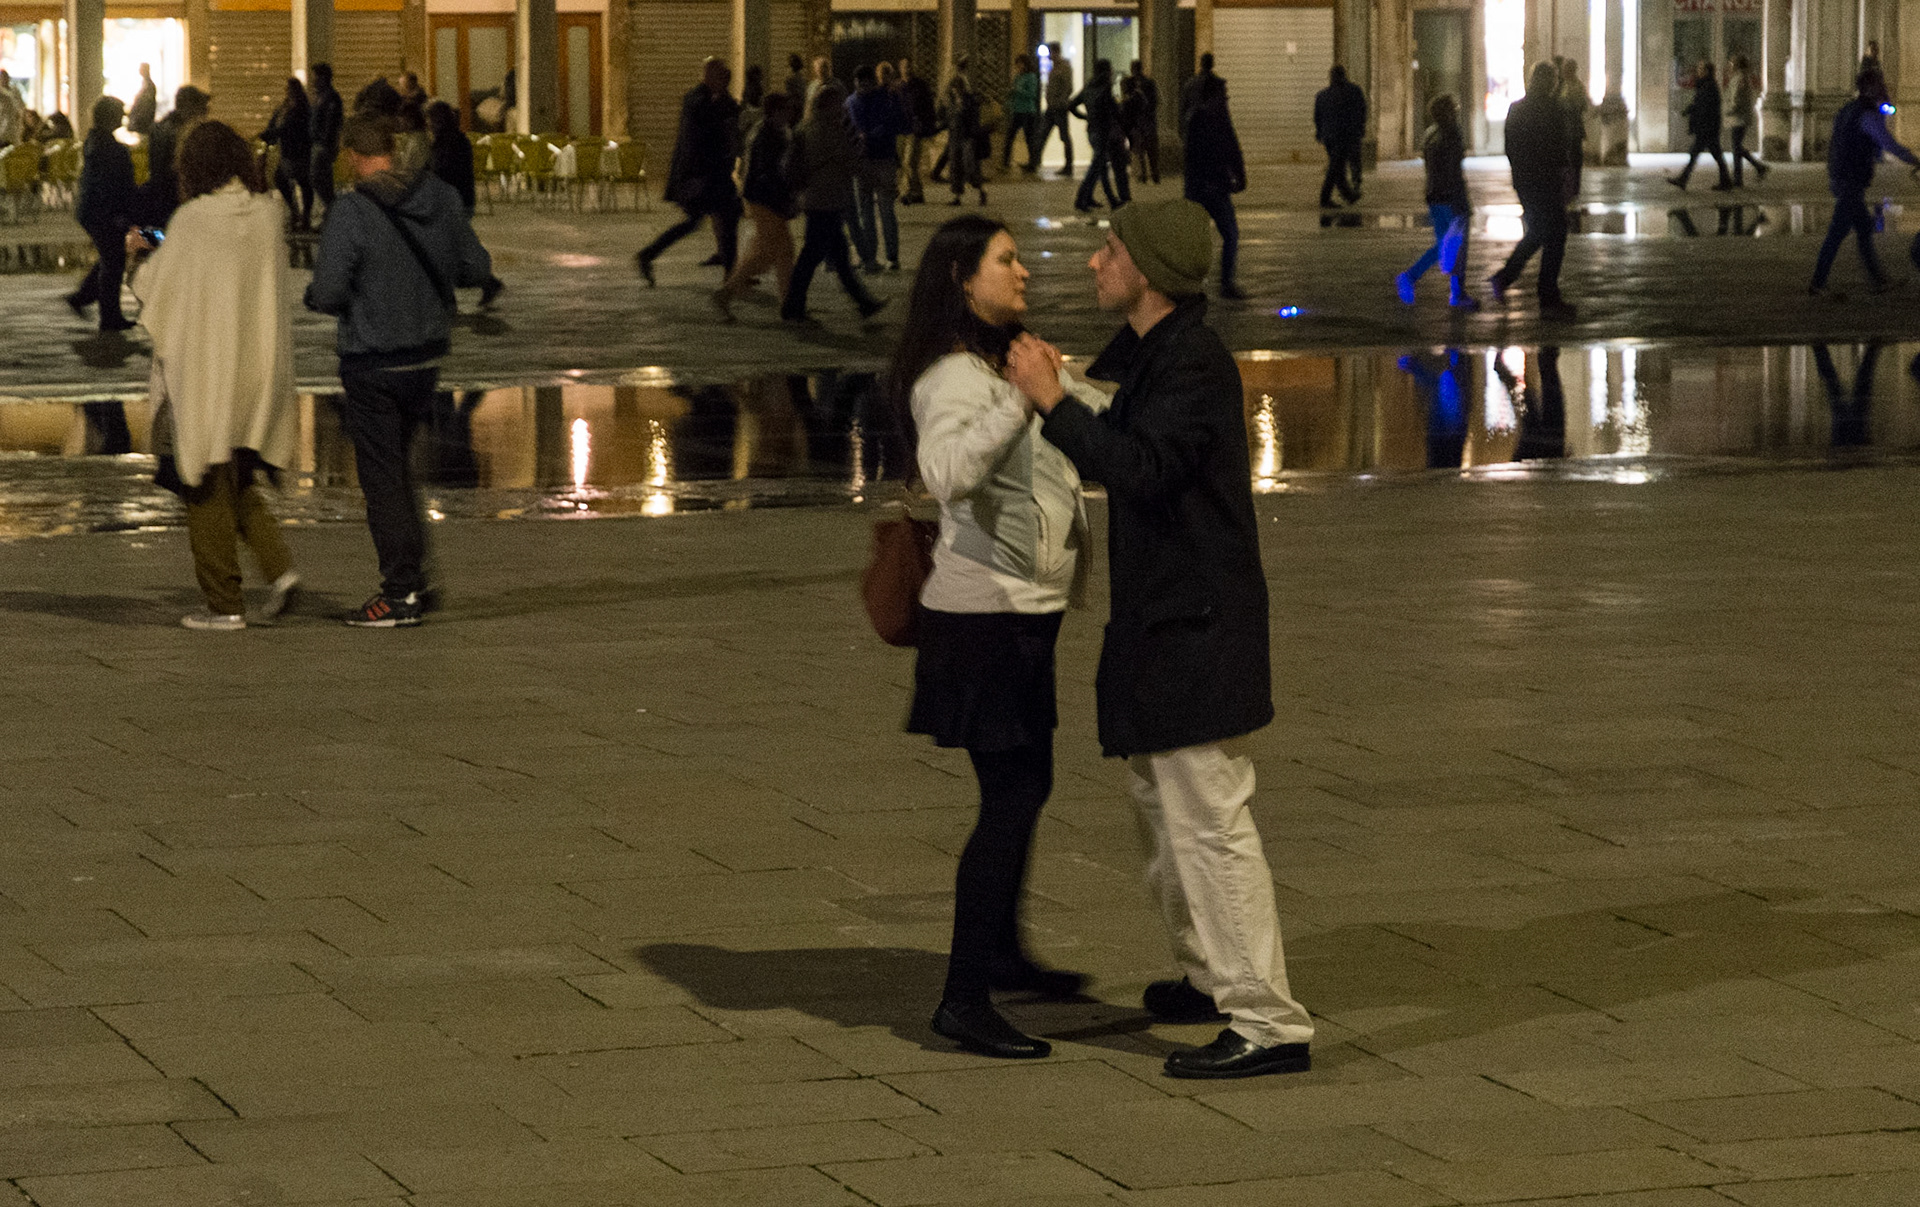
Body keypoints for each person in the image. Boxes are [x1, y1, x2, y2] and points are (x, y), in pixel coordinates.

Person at [1004, 198, 1315, 1081]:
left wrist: (1053, 400)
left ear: (1148, 271)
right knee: (1160, 806)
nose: (1096, 261)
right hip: (1165, 623)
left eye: (1110, 249)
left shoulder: (1195, 364)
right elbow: (1114, 425)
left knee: (1209, 819)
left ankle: (1266, 1018)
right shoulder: (1157, 351)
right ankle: (1212, 975)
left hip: (1196, 626)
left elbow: (1137, 467)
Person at [891, 215, 1099, 1060]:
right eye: (1005, 261)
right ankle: (963, 996)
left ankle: (1003, 954)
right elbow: (944, 473)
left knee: (1027, 783)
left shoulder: (995, 361)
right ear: (961, 278)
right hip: (983, 617)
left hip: (1023, 608)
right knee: (1009, 796)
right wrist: (1021, 399)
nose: (1023, 272)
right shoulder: (950, 376)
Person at [304, 112, 494, 627]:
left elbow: (327, 291)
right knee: (398, 470)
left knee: (383, 478)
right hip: (426, 359)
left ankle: (400, 592)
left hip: (373, 362)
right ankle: (417, 577)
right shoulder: (441, 198)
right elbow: (477, 268)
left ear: (354, 156)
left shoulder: (351, 212)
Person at [127, 121, 300, 631]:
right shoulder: (270, 213)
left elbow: (159, 293)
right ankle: (280, 568)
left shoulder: (194, 219)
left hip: (205, 369)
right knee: (238, 473)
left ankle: (224, 604)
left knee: (200, 477)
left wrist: (139, 257)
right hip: (256, 369)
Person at [780, 82, 886, 323]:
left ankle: (864, 303)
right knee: (812, 257)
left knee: (837, 257)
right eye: (838, 103)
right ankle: (792, 307)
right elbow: (850, 160)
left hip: (819, 199)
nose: (842, 108)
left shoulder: (807, 126)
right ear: (828, 105)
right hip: (825, 200)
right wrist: (876, 181)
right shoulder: (828, 130)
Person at [1810, 68, 1919, 297]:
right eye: (1879, 84)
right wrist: (1913, 159)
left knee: (1863, 228)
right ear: (1871, 88)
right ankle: (1818, 283)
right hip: (1851, 180)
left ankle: (1877, 279)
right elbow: (1888, 143)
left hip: (1841, 176)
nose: (1882, 87)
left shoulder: (1849, 109)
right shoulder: (1867, 116)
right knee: (1837, 233)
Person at [637, 57, 742, 287]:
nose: (725, 81)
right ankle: (731, 276)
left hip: (713, 175)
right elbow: (700, 138)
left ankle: (649, 254)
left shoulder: (716, 101)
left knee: (720, 219)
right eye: (722, 76)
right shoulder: (697, 101)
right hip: (703, 176)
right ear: (709, 76)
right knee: (715, 219)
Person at [1489, 62, 1576, 319]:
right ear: (1549, 82)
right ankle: (1544, 294)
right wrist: (1565, 178)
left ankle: (1510, 280)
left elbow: (1510, 148)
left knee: (1541, 230)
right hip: (1547, 180)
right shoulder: (1554, 109)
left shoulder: (1516, 109)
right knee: (1554, 232)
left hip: (1526, 181)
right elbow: (1561, 148)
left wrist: (1520, 172)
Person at [713, 91, 796, 320]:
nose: (791, 113)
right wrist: (785, 199)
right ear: (776, 111)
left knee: (775, 252)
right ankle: (728, 293)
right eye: (787, 109)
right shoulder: (768, 136)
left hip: (763, 199)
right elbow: (768, 174)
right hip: (765, 200)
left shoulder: (770, 132)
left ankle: (788, 304)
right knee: (774, 253)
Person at [65, 96, 139, 333]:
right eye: (119, 112)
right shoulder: (108, 148)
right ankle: (109, 316)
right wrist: (117, 212)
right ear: (109, 116)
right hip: (103, 212)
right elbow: (110, 185)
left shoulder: (97, 143)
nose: (123, 116)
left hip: (95, 210)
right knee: (113, 261)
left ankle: (84, 298)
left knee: (111, 257)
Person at [1397, 94, 1476, 309]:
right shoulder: (1451, 135)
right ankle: (1452, 291)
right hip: (1450, 198)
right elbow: (1453, 172)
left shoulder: (1431, 135)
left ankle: (1453, 291)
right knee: (1454, 246)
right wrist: (1461, 202)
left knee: (1446, 244)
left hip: (1435, 197)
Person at [426, 99, 505, 307]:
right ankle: (482, 284)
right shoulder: (450, 140)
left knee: (447, 251)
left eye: (433, 120)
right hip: (456, 201)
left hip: (456, 203)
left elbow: (445, 172)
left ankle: (462, 291)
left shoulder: (451, 142)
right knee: (450, 250)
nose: (430, 125)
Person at [1182, 74, 1246, 299]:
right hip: (1211, 187)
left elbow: (1231, 148)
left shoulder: (1198, 119)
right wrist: (1235, 175)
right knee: (1229, 233)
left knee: (1210, 236)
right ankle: (1224, 283)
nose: (1226, 99)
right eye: (1223, 95)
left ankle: (1192, 284)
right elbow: (1228, 149)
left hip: (1205, 187)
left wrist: (1238, 174)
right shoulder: (1208, 119)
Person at [848, 62, 908, 272]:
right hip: (883, 159)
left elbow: (848, 132)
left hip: (863, 161)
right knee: (885, 209)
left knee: (866, 211)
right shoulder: (886, 99)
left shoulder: (850, 102)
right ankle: (891, 257)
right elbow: (895, 124)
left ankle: (870, 256)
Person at [142, 85, 210, 228]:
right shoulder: (183, 133)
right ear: (190, 107)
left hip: (160, 200)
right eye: (202, 108)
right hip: (174, 200)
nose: (205, 114)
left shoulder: (159, 127)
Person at [1071, 59, 1127, 213]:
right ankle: (1081, 199)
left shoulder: (1088, 87)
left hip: (1091, 130)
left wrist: (1084, 117)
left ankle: (1097, 198)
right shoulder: (1105, 88)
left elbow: (1071, 105)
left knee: (1100, 167)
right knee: (1096, 166)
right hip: (1103, 131)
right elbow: (1113, 110)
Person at [1670, 60, 1732, 191]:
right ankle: (1725, 180)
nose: (1698, 70)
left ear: (1706, 71)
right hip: (1707, 126)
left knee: (1698, 153)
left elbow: (1705, 107)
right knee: (1713, 154)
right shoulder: (1706, 85)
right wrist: (1689, 110)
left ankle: (1683, 179)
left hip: (1707, 127)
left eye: (1700, 68)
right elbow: (1699, 104)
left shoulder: (1709, 86)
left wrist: (1696, 117)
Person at [261, 77, 314, 230]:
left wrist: (269, 134)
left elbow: (287, 128)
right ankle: (299, 214)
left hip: (297, 151)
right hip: (290, 152)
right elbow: (276, 124)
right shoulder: (287, 107)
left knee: (298, 181)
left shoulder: (299, 109)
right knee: (291, 181)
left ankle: (301, 215)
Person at [1314, 65, 1367, 207]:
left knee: (1337, 166)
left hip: (1329, 137)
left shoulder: (1322, 96)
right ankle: (1325, 198)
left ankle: (1348, 195)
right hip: (1346, 136)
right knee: (1335, 167)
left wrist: (1320, 133)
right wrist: (1360, 130)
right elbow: (1361, 112)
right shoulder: (1354, 91)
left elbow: (1317, 117)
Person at [940, 68, 988, 207]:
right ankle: (957, 196)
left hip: (967, 138)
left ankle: (981, 190)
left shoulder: (970, 101)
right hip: (955, 138)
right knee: (955, 168)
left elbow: (974, 120)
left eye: (957, 88)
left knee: (970, 168)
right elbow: (947, 120)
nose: (955, 91)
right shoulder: (952, 103)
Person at [308, 64, 344, 224]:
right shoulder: (321, 96)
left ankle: (332, 209)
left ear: (323, 78)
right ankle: (332, 212)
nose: (313, 81)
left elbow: (332, 124)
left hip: (323, 145)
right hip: (319, 143)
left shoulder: (331, 98)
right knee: (323, 179)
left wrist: (325, 140)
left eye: (315, 77)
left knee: (318, 177)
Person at [899, 59, 937, 204]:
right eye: (905, 67)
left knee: (909, 161)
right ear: (900, 68)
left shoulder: (920, 86)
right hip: (902, 128)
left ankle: (907, 192)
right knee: (907, 162)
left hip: (915, 128)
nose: (907, 69)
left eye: (909, 66)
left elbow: (928, 106)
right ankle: (917, 192)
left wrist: (927, 126)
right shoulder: (899, 86)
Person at [1726, 54, 1768, 185]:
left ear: (1737, 65)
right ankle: (1755, 169)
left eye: (1732, 63)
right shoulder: (1740, 77)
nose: (1730, 65)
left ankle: (1741, 176)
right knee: (1737, 147)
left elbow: (1737, 99)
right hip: (1739, 117)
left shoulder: (1740, 78)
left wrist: (1730, 110)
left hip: (1739, 117)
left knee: (1736, 147)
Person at [1037, 45, 1075, 177]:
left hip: (1059, 108)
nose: (1049, 56)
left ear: (1056, 52)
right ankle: (1034, 162)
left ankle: (1069, 165)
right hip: (1051, 107)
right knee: (1042, 134)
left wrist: (1060, 101)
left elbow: (1068, 87)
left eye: (1051, 53)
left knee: (1064, 136)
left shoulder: (1064, 67)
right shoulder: (1054, 67)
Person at [1557, 57, 1590, 197]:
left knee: (1574, 160)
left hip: (1572, 129)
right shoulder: (1562, 85)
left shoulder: (1577, 86)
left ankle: (1573, 188)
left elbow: (1581, 105)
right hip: (1565, 129)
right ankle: (1568, 187)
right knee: (1567, 160)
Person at [1004, 54, 1041, 172]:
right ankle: (1005, 161)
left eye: (1020, 64)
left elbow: (1032, 95)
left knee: (1029, 138)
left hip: (1027, 111)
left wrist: (1018, 90)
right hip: (1017, 111)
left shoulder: (1031, 77)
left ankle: (1032, 163)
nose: (1018, 67)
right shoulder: (1018, 77)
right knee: (1009, 136)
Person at [1127, 60, 1161, 184]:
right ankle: (1153, 174)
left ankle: (1144, 175)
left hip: (1139, 121)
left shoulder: (1131, 83)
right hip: (1146, 120)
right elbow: (1155, 102)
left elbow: (1128, 103)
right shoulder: (1149, 83)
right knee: (1150, 150)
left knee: (1141, 149)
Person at [1179, 52, 1219, 127]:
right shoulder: (1217, 84)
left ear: (1201, 64)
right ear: (1212, 64)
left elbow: (1184, 106)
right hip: (1211, 125)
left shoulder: (1191, 83)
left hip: (1194, 122)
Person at [128, 63, 158, 138]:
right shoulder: (145, 84)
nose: (139, 70)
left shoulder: (149, 85)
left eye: (141, 68)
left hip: (143, 122)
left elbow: (146, 106)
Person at [0, 70, 22, 147]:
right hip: (4, 127)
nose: (4, 80)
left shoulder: (15, 91)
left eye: (6, 78)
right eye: (2, 78)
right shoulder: (2, 94)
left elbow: (20, 106)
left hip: (14, 125)